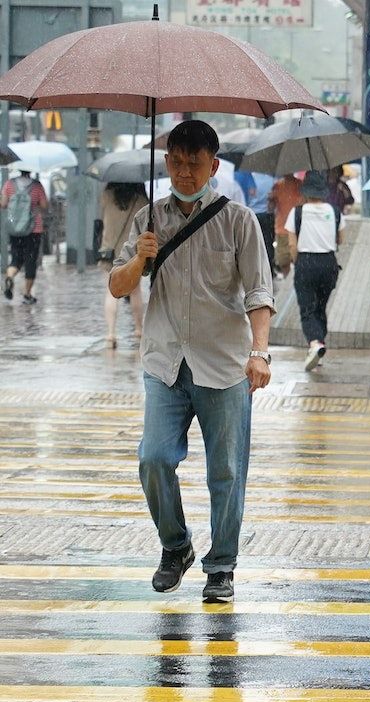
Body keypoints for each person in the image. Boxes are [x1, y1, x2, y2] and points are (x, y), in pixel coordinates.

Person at [108, 119, 274, 603]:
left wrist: (259, 352)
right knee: (154, 459)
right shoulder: (148, 219)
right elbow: (118, 287)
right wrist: (141, 259)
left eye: (193, 164)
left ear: (213, 165)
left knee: (226, 471)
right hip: (165, 363)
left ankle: (221, 565)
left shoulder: (239, 220)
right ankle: (176, 546)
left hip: (223, 365)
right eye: (176, 163)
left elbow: (259, 291)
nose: (184, 172)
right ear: (167, 164)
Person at [287, 171, 345, 372]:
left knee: (307, 309)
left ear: (306, 191)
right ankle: (318, 347)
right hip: (329, 263)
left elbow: (292, 245)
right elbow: (340, 239)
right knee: (320, 307)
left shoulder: (297, 212)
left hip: (306, 262)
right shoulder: (335, 211)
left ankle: (314, 343)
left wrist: (299, 264)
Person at [99, 182, 149, 347]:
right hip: (132, 251)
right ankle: (139, 329)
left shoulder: (107, 196)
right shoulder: (141, 200)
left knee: (110, 291)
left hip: (110, 250)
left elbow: (102, 216)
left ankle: (111, 333)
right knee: (135, 291)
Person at [2, 169, 50, 305]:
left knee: (16, 258)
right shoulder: (37, 186)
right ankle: (27, 294)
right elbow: (45, 205)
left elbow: (3, 204)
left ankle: (10, 277)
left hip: (15, 229)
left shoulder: (9, 184)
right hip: (33, 229)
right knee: (30, 260)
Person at [239, 170, 277, 274]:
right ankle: (269, 269)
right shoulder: (271, 178)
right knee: (268, 243)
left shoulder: (250, 178)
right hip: (268, 215)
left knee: (253, 244)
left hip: (253, 215)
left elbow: (250, 194)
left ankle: (256, 269)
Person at [269, 173, 303, 277]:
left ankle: (294, 282)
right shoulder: (277, 186)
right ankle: (287, 282)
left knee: (297, 259)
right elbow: (270, 208)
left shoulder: (300, 185)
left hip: (297, 229)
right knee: (283, 261)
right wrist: (271, 199)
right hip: (282, 229)